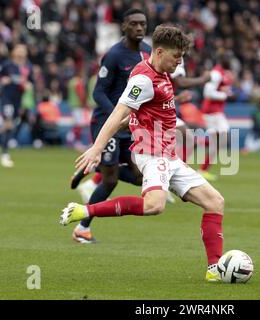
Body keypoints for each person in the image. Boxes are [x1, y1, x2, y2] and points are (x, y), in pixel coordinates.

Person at [60, 25, 225, 282]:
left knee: (215, 202)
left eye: (182, 57)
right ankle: (85, 211)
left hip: (169, 155)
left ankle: (215, 270)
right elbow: (119, 113)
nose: (180, 62)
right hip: (152, 154)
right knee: (154, 205)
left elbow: (139, 113)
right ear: (159, 52)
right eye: (176, 57)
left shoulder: (161, 73)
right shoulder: (143, 79)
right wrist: (97, 147)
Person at [70, 8, 151, 244]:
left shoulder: (147, 53)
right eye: (134, 23)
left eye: (142, 24)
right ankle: (81, 229)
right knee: (111, 181)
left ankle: (97, 167)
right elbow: (98, 92)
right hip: (108, 124)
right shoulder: (114, 55)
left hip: (131, 126)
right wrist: (117, 118)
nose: (139, 28)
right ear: (124, 26)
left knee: (138, 177)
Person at [0, 44, 32, 168]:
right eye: (19, 49)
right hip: (7, 98)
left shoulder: (28, 67)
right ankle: (4, 154)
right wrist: (2, 80)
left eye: (23, 50)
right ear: (14, 52)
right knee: (8, 123)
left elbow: (31, 82)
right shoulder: (7, 65)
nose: (21, 52)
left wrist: (29, 85)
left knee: (9, 126)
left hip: (18, 100)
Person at [199, 55, 233, 181]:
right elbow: (208, 93)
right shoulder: (216, 74)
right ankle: (197, 142)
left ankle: (203, 169)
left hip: (215, 111)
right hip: (212, 111)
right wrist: (224, 95)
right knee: (222, 139)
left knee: (218, 141)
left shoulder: (222, 73)